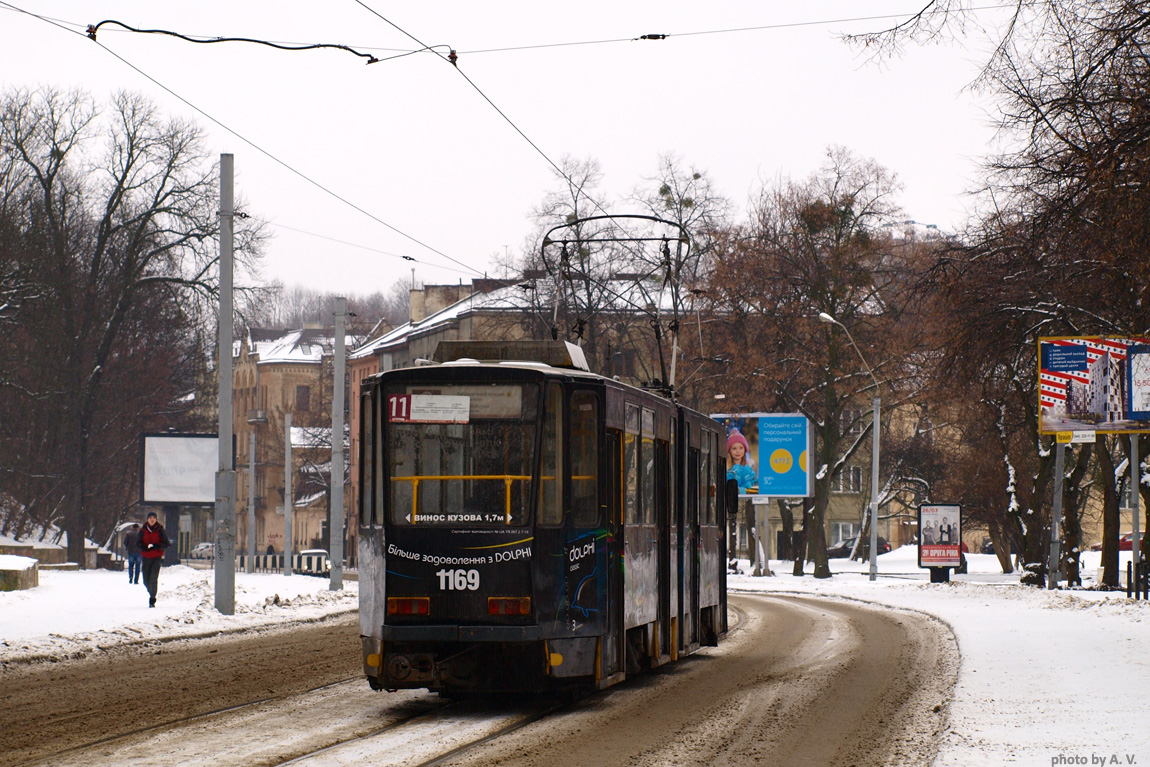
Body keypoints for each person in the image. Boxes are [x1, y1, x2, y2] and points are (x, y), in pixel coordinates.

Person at [137, 511, 170, 608]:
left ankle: (152, 598)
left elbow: (166, 543)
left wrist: (156, 546)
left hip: (156, 557)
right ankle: (151, 591)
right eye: (150, 517)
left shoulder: (160, 530)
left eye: (154, 518)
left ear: (156, 519)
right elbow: (138, 543)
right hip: (146, 557)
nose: (152, 519)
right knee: (146, 580)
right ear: (147, 519)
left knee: (153, 578)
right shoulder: (143, 530)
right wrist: (146, 546)